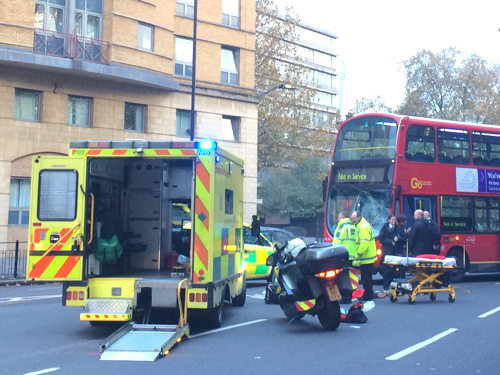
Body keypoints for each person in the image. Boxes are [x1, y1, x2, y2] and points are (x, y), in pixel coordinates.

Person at [332, 211, 358, 303]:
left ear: (342, 217)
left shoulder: (341, 226)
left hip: (341, 255)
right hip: (351, 255)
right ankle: (349, 296)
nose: (338, 219)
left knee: (341, 277)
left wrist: (332, 254)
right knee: (348, 276)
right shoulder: (353, 226)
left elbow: (336, 242)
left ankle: (344, 297)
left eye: (339, 217)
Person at [351, 211, 377, 301]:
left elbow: (364, 244)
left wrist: (358, 254)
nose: (352, 220)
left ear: (358, 217)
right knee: (367, 277)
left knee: (366, 278)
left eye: (354, 218)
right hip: (367, 257)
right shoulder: (361, 225)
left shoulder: (363, 227)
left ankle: (367, 295)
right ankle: (368, 294)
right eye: (352, 218)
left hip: (366, 257)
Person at [378, 215, 397, 291]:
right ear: (389, 220)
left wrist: (397, 238)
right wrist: (390, 242)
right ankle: (385, 286)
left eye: (394, 220)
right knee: (386, 270)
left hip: (394, 251)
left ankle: (391, 285)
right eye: (392, 220)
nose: (394, 221)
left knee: (392, 269)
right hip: (386, 251)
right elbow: (381, 238)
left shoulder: (396, 228)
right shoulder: (384, 227)